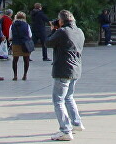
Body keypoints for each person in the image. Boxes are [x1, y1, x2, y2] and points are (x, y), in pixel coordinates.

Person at [48, 9, 85, 141]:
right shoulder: (79, 31)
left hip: (63, 69)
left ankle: (65, 130)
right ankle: (76, 123)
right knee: (69, 97)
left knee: (58, 100)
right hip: (76, 68)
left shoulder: (62, 32)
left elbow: (48, 42)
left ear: (61, 21)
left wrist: (53, 29)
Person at [10, 11, 34, 80]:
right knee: (26, 59)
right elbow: (30, 35)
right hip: (25, 44)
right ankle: (25, 75)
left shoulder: (12, 25)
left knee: (15, 60)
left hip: (15, 43)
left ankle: (15, 75)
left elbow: (10, 35)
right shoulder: (26, 25)